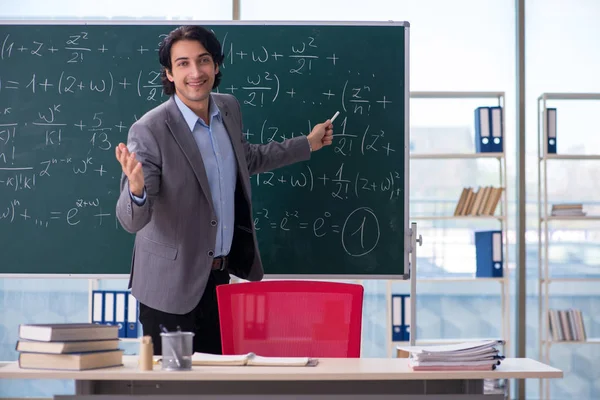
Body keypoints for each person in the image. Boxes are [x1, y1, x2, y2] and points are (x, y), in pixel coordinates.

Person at [115, 25, 334, 355]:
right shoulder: (150, 130)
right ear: (170, 74)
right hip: (169, 287)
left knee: (217, 384)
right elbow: (132, 221)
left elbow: (247, 158)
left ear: (216, 66)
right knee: (170, 389)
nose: (195, 72)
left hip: (219, 279)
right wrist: (136, 189)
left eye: (203, 60)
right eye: (183, 63)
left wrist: (308, 144)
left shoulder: (228, 108)